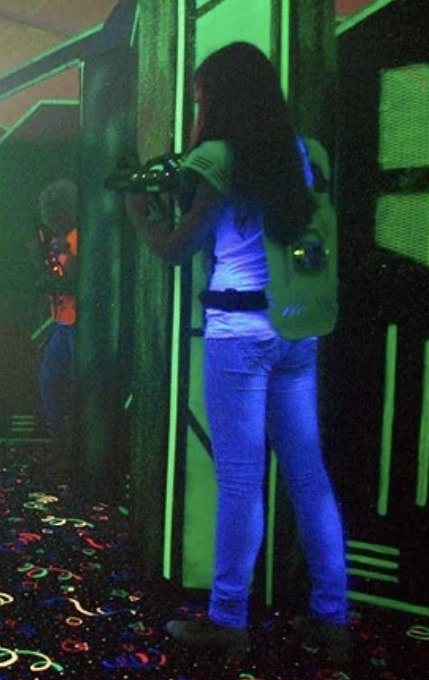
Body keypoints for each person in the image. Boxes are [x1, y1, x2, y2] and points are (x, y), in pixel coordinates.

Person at [124, 42, 349, 663]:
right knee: (309, 477)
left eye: (201, 97)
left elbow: (177, 248)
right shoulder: (308, 153)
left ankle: (228, 619)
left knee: (241, 481)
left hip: (239, 338)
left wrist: (139, 213)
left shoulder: (218, 157)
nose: (198, 107)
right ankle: (333, 619)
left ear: (219, 97)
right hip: (296, 331)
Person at [30, 179, 80, 480]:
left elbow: (66, 279)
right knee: (50, 385)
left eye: (55, 209)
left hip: (76, 324)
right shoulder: (59, 240)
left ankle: (70, 452)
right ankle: (61, 448)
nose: (50, 216)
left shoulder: (77, 238)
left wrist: (42, 263)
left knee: (66, 389)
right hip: (63, 322)